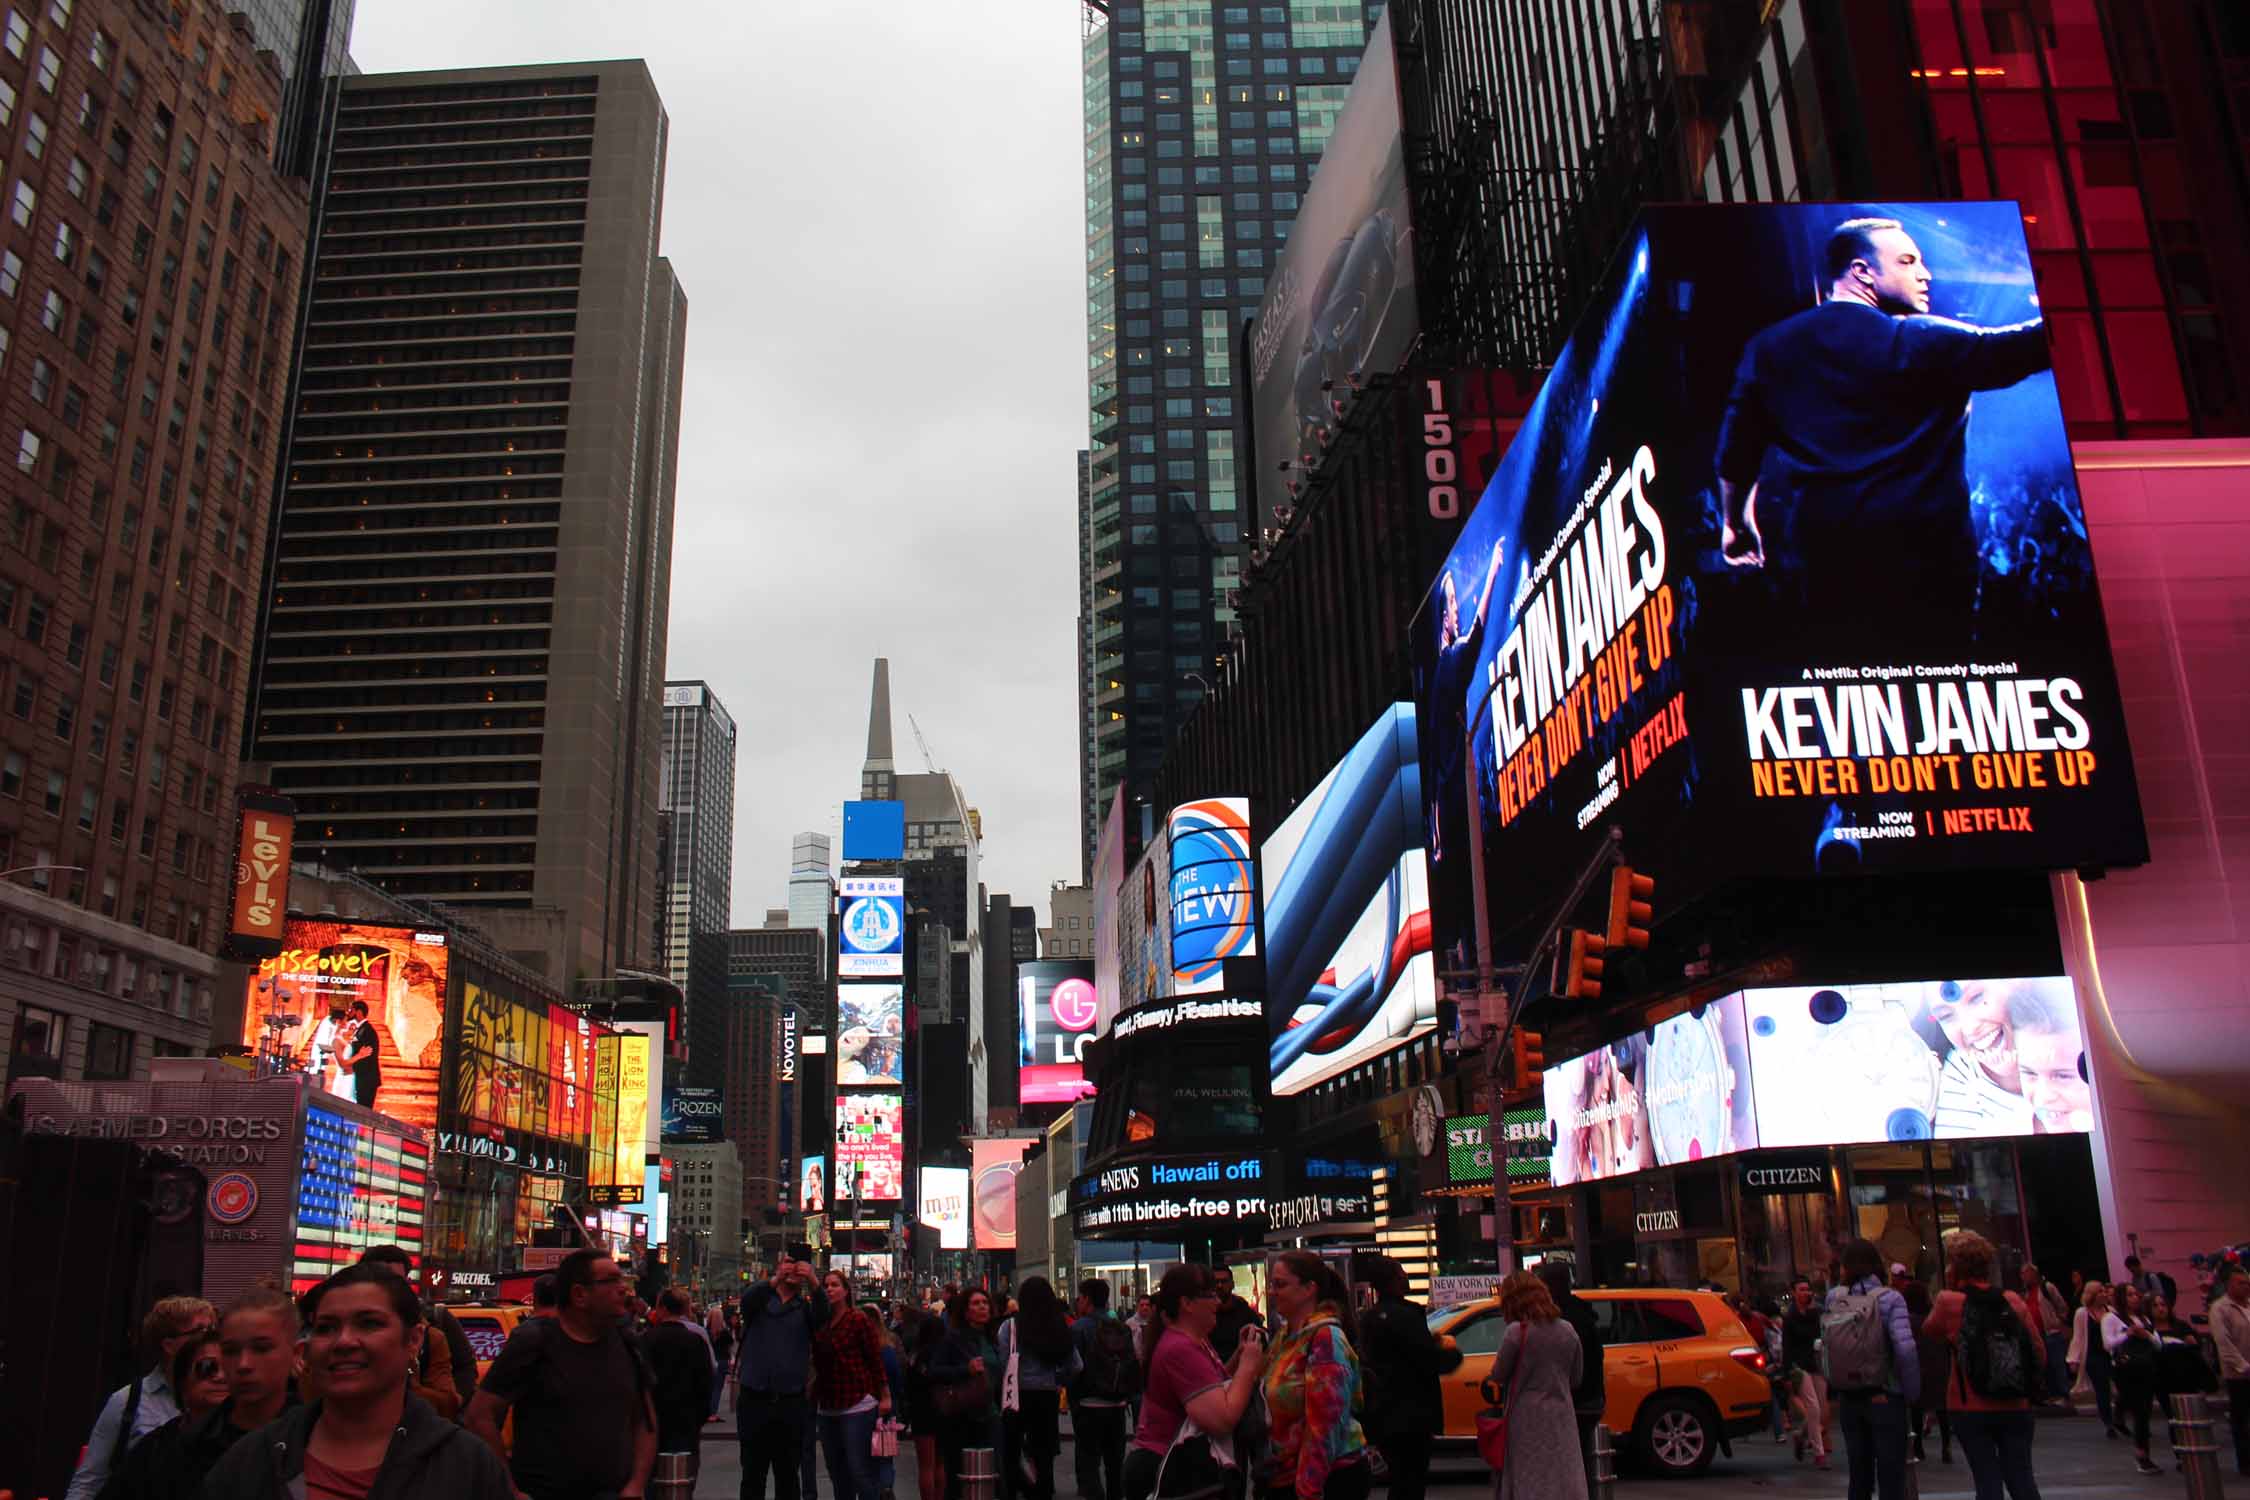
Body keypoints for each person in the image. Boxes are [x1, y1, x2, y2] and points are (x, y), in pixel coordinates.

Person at [1714, 215, 2054, 637]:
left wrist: (1737, 524)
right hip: (1930, 571)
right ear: (1862, 272)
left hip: (1825, 569)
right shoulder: (1921, 339)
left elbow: (1736, 456)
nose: (1925, 275)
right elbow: (2023, 348)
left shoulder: (1767, 350)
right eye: (1908, 262)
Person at [199, 1264, 515, 1500]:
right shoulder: (253, 1459)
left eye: (369, 1324)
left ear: (414, 1340)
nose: (344, 1341)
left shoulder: (467, 1467)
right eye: (326, 1327)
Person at [466, 1248, 657, 1500]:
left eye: (620, 1279)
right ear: (579, 1295)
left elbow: (646, 1420)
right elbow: (479, 1415)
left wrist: (636, 1484)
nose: (622, 1288)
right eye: (610, 1281)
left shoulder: (628, 1343)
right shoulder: (535, 1342)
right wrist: (509, 1489)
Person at [102, 1286, 302, 1500]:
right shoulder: (172, 1448)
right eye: (231, 1351)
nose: (244, 1364)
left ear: (297, 1354)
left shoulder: (316, 1436)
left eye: (261, 1348)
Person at [1123, 1263, 1265, 1500]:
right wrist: (1249, 1365)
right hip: (1171, 1469)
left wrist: (1239, 1355)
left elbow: (1212, 1386)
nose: (1217, 1302)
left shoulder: (1195, 1341)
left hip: (1178, 1465)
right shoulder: (1180, 1349)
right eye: (1209, 1295)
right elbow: (1222, 1418)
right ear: (1186, 1303)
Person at [1923, 1229, 2043, 1499]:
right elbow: (2038, 1351)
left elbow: (1929, 1330)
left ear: (1955, 1268)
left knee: (1986, 1478)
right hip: (2015, 1403)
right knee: (2022, 1477)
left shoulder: (1947, 1302)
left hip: (1969, 1405)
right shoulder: (2012, 1300)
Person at [66, 1295, 217, 1500]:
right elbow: (89, 1481)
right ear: (169, 1345)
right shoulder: (129, 1400)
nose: (210, 1339)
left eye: (213, 1330)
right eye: (200, 1331)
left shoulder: (223, 1396)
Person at [1260, 1252, 1370, 1500]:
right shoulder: (1283, 1338)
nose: (1272, 1292)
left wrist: (1308, 1487)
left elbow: (1326, 1424)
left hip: (1329, 1478)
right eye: (1272, 1285)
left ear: (1309, 1289)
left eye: (1280, 1284)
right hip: (1286, 1475)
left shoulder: (1325, 1339)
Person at [1824, 1237, 1921, 1500]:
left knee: (1859, 1473)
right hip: (1886, 1394)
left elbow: (1827, 1346)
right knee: (1891, 1474)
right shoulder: (1890, 1299)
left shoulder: (1834, 1297)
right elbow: (1905, 1349)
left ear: (1845, 1267)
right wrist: (1911, 1393)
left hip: (1849, 1396)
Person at [1478, 1269, 1586, 1500]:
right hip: (1562, 1415)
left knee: (1528, 1477)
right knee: (1561, 1474)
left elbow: (1498, 1375)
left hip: (1524, 1417)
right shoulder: (1568, 1330)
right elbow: (1576, 1377)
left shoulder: (1516, 1333)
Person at [729, 1257, 830, 1500]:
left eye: (798, 1265)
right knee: (753, 1474)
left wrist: (814, 1281)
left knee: (788, 1476)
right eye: (788, 1262)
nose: (794, 1268)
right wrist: (774, 1279)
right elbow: (747, 1299)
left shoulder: (804, 1309)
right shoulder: (760, 1303)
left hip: (790, 1402)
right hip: (755, 1399)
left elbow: (823, 1316)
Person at [97, 1327, 226, 1500]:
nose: (220, 1376)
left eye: (228, 1368)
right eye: (208, 1367)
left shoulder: (254, 1444)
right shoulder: (155, 1449)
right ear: (182, 1382)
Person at [1356, 1256, 1447, 1500]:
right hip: (1412, 1415)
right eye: (1401, 1272)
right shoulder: (1406, 1317)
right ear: (1393, 1280)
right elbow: (1428, 1360)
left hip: (1384, 1414)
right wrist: (1450, 1355)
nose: (1405, 1276)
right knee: (1410, 1483)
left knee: (1401, 1480)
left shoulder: (1370, 1319)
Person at [358, 1244, 473, 1411]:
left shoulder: (432, 1329)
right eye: (378, 1281)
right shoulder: (338, 1328)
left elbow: (462, 1373)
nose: (385, 1289)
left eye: (395, 1281)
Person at [998, 1277, 1081, 1500]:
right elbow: (1076, 1365)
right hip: (1046, 1395)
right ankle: (1042, 1491)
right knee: (1043, 1452)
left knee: (1012, 1450)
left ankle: (1013, 1491)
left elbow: (1003, 1361)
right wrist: (1057, 1379)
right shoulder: (1057, 1327)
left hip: (1015, 1395)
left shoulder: (1011, 1327)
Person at [812, 1271, 891, 1500]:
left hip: (857, 1403)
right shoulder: (821, 1323)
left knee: (860, 1471)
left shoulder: (857, 1319)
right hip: (827, 1405)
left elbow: (874, 1359)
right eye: (826, 1285)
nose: (829, 1289)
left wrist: (885, 1395)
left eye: (835, 1285)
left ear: (846, 1291)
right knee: (837, 1473)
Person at [929, 1287, 1005, 1500]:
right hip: (962, 1416)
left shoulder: (992, 1338)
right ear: (965, 1310)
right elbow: (934, 1371)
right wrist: (965, 1369)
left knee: (993, 1475)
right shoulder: (953, 1339)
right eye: (976, 1303)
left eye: (985, 1302)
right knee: (960, 1477)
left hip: (990, 1415)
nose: (982, 1306)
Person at [1069, 1279, 1139, 1500]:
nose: (1078, 1302)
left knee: (1089, 1463)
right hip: (1117, 1404)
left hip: (1087, 1405)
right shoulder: (1120, 1327)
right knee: (1114, 1464)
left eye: (1080, 1298)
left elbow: (1072, 1366)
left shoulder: (1078, 1328)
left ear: (1087, 1299)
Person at [646, 1290, 717, 1476]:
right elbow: (706, 1379)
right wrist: (701, 1415)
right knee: (683, 1476)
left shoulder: (646, 1339)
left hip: (653, 1420)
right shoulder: (695, 1340)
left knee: (653, 1477)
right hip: (686, 1418)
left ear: (662, 1309)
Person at [2104, 1281, 2164, 1475]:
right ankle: (2142, 1455)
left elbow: (2158, 1344)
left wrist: (2145, 1335)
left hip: (2146, 1367)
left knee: (2145, 1410)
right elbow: (2108, 1344)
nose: (2135, 1298)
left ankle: (2142, 1450)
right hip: (2127, 1369)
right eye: (2129, 1295)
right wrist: (2128, 1334)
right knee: (2139, 1411)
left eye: (2136, 1294)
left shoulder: (2144, 1319)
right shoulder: (2111, 1318)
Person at [1896, 1264, 1948, 1464]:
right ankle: (1946, 1446)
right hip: (1938, 1363)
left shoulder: (1908, 1319)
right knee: (1941, 1407)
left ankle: (1918, 1448)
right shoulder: (1933, 1316)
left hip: (1918, 1365)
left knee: (1917, 1408)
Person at [1780, 1277, 1831, 1469]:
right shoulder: (1790, 1317)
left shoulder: (1816, 1313)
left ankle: (1801, 1434)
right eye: (1801, 1289)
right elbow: (1786, 1346)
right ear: (1793, 1293)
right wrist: (1786, 1374)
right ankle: (1819, 1455)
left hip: (1816, 1363)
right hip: (1798, 1366)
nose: (1806, 1293)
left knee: (1818, 1408)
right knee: (1813, 1407)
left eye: (1808, 1289)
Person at [903, 1308, 951, 1500]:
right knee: (940, 1464)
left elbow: (909, 1385)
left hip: (921, 1411)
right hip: (943, 1408)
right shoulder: (945, 1353)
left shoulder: (917, 1355)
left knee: (926, 1466)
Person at [2210, 1266, 2250, 1476]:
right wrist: (2243, 1366)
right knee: (2242, 1419)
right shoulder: (2220, 1308)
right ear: (2228, 1284)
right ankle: (2245, 1461)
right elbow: (2223, 1343)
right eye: (2240, 1283)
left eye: (2247, 1282)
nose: (2246, 1286)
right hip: (2239, 1375)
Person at [2065, 1282, 2114, 1432]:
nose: (2104, 1294)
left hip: (2110, 1355)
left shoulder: (2110, 1311)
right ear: (2091, 1295)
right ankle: (2108, 1422)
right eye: (2100, 1292)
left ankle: (2117, 1416)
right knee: (2102, 1389)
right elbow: (2078, 1337)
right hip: (2093, 1357)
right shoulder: (2082, 1313)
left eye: (2104, 1291)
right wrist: (2073, 1359)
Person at [2018, 1265, 2070, 1404]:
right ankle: (2052, 1394)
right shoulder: (2025, 1292)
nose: (2023, 1277)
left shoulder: (2047, 1288)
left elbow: (2062, 1306)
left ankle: (2063, 1394)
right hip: (2037, 1334)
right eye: (2022, 1274)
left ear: (2034, 1274)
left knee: (2057, 1363)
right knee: (2045, 1365)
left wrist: (2057, 1321)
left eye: (2025, 1274)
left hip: (2051, 1332)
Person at [1210, 1267, 1258, 1364]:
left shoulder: (1245, 1312)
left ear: (1232, 1284)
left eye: (1224, 1281)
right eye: (1216, 1282)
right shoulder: (1206, 1313)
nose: (1219, 1286)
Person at [344, 998, 382, 1112]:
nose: (348, 1012)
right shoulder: (361, 1029)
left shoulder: (367, 1030)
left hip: (367, 1078)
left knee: (364, 1111)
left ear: (359, 1012)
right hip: (361, 1077)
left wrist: (352, 1066)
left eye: (351, 1010)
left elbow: (368, 1056)